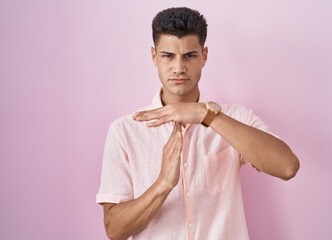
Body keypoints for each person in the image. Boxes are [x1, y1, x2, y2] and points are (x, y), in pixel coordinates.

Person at [96, 7, 300, 240]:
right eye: (168, 56)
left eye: (190, 55)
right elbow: (114, 229)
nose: (179, 68)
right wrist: (163, 184)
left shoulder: (234, 118)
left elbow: (287, 167)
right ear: (154, 56)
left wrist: (208, 116)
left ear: (204, 55)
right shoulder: (125, 132)